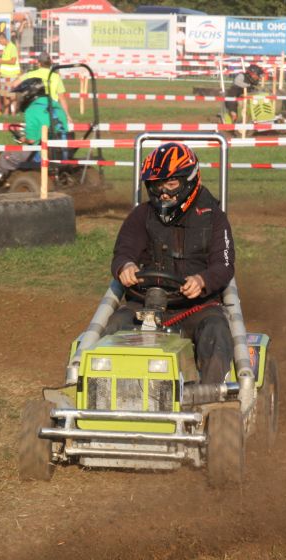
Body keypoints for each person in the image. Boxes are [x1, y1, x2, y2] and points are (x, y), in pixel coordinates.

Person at [107, 142, 236, 385]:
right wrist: (125, 266)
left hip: (196, 308)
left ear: (189, 180)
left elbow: (224, 264)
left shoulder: (214, 218)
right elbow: (123, 252)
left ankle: (210, 401)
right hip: (147, 307)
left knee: (216, 331)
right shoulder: (141, 216)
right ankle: (99, 394)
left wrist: (203, 280)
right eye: (157, 184)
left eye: (171, 184)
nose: (163, 192)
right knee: (115, 324)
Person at [0, 77, 68, 191]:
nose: (20, 98)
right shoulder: (56, 105)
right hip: (62, 150)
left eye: (21, 95)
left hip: (41, 152)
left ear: (28, 94)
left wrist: (22, 138)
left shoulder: (32, 110)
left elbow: (32, 140)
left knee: (6, 156)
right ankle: (8, 180)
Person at [20, 52, 70, 120]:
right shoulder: (56, 77)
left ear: (39, 63)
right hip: (51, 109)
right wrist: (67, 115)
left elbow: (15, 84)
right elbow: (62, 98)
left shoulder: (30, 74)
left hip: (35, 109)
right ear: (50, 63)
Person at [0, 30, 21, 115]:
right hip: (4, 75)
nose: (0, 43)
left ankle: (13, 113)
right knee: (5, 94)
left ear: (3, 39)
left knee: (12, 95)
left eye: (0, 41)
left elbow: (13, 61)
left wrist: (1, 61)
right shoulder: (5, 48)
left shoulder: (12, 47)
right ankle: (6, 112)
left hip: (12, 75)